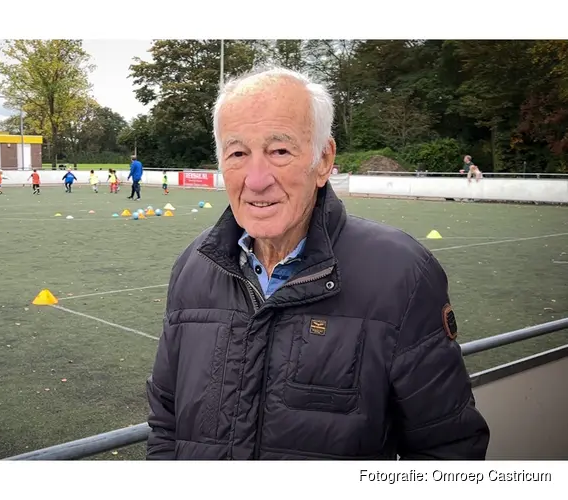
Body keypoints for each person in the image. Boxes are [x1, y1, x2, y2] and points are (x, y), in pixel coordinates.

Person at [146, 66, 490, 460]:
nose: (256, 179)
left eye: (279, 151)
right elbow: (166, 424)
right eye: (238, 153)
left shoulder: (402, 274)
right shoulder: (192, 267)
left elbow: (449, 451)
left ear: (323, 160)